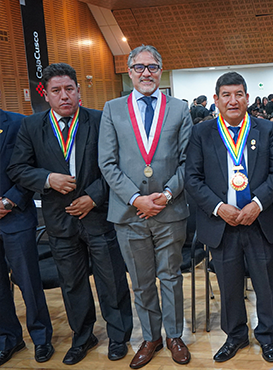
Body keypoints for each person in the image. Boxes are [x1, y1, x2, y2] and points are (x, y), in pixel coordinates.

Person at [8, 63, 133, 365]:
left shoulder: (100, 120)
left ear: (78, 90)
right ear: (46, 96)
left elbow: (116, 167)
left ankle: (118, 336)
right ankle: (83, 336)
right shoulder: (31, 127)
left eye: (69, 89)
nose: (64, 96)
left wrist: (94, 196)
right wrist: (48, 179)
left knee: (111, 280)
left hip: (98, 215)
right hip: (59, 219)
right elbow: (18, 168)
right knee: (72, 283)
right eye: (56, 91)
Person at [98, 45, 192, 369]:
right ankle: (150, 337)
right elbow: (107, 163)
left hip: (170, 209)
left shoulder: (180, 109)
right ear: (129, 71)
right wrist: (137, 198)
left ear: (161, 70)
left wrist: (165, 196)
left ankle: (174, 336)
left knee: (171, 277)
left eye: (152, 67)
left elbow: (187, 162)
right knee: (140, 281)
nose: (146, 72)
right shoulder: (112, 109)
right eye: (139, 67)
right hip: (129, 213)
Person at [185, 72, 273, 363]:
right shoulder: (201, 133)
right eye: (226, 95)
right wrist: (218, 207)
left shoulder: (265, 129)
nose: (232, 100)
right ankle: (236, 336)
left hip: (259, 221)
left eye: (238, 94)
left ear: (247, 98)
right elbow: (192, 179)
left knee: (264, 284)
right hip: (221, 224)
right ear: (216, 99)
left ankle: (266, 335)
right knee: (229, 285)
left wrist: (257, 204)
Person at [0, 99, 54, 366]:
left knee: (28, 283)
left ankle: (42, 338)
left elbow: (31, 169)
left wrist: (9, 201)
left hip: (15, 215)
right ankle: (8, 338)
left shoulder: (18, 123)